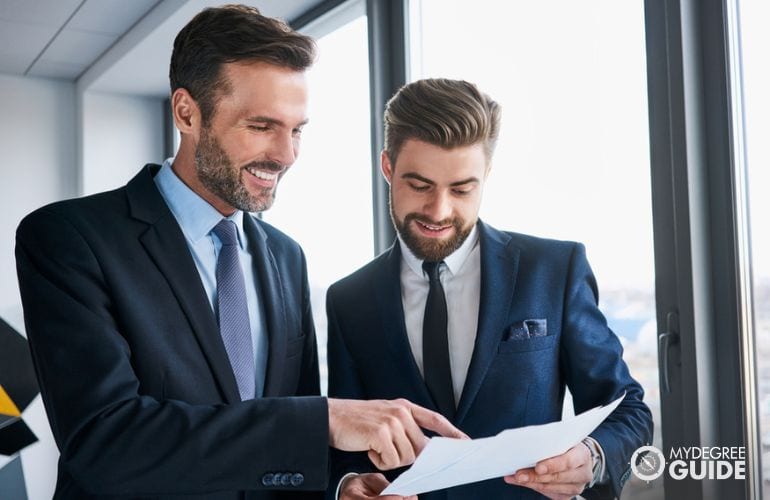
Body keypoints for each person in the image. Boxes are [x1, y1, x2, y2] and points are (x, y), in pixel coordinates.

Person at [14, 7, 464, 500]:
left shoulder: (285, 256)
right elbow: (103, 442)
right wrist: (325, 420)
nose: (287, 154)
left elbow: (283, 439)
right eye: (262, 126)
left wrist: (341, 485)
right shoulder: (69, 238)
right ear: (187, 113)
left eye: (296, 130)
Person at [326, 78, 653, 500]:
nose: (439, 211)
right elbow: (344, 442)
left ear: (487, 175)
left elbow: (628, 409)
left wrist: (592, 457)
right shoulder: (348, 301)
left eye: (462, 189)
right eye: (420, 185)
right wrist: (348, 484)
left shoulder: (554, 269)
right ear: (387, 167)